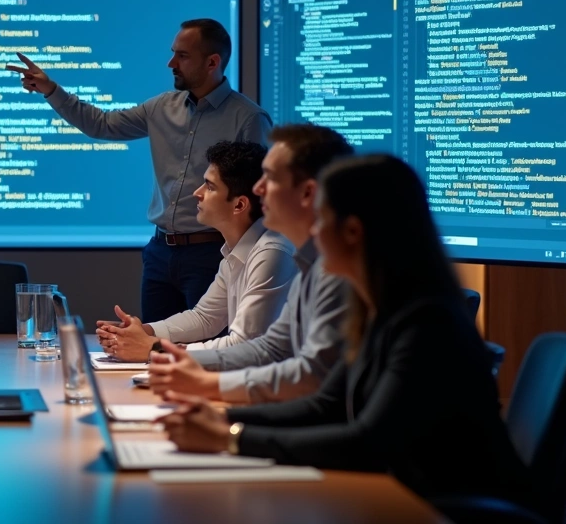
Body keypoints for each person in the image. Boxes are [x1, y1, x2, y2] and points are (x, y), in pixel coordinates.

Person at [156, 154, 531, 506]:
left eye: (320, 219)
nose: (312, 234)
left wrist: (230, 438)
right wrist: (220, 419)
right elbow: (326, 404)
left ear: (352, 231)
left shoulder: (426, 322)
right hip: (401, 495)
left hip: (440, 509)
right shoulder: (380, 310)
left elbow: (369, 442)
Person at [7, 18, 272, 323]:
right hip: (160, 252)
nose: (171, 62)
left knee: (202, 349)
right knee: (151, 346)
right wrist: (51, 90)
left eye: (182, 56)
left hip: (212, 254)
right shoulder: (161, 107)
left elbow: (258, 200)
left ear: (212, 62)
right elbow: (101, 124)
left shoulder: (249, 118)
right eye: (173, 53)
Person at [147, 124, 353, 403]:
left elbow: (310, 378)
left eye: (270, 177)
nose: (258, 188)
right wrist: (172, 357)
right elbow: (270, 349)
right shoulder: (309, 262)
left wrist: (160, 352)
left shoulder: (326, 267)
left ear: (307, 193)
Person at [94, 141, 297, 361]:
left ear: (239, 205)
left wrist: (155, 349)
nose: (197, 193)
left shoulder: (271, 252)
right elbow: (204, 318)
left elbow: (243, 346)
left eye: (210, 187)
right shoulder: (239, 249)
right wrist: (143, 332)